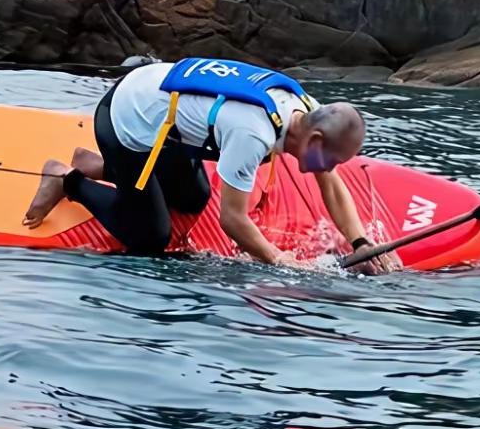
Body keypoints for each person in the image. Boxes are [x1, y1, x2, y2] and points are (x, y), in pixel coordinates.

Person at [22, 55, 394, 271]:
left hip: (165, 122)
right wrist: (282, 261)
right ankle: (67, 178)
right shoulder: (254, 133)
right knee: (151, 236)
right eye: (331, 158)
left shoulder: (308, 111)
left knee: (193, 198)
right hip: (127, 118)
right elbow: (232, 220)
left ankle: (98, 165)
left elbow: (331, 183)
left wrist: (359, 241)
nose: (330, 169)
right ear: (315, 140)